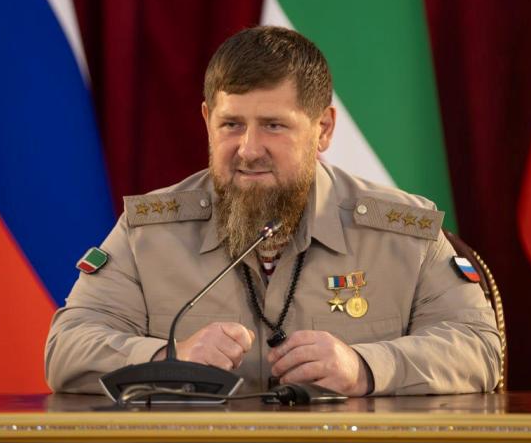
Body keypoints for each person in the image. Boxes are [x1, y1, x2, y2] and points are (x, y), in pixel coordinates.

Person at [45, 26, 501, 396]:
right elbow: (67, 348)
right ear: (206, 121)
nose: (248, 149)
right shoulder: (149, 232)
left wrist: (364, 367)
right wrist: (168, 358)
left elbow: (479, 347)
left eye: (273, 126)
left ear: (323, 129)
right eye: (231, 124)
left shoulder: (402, 233)